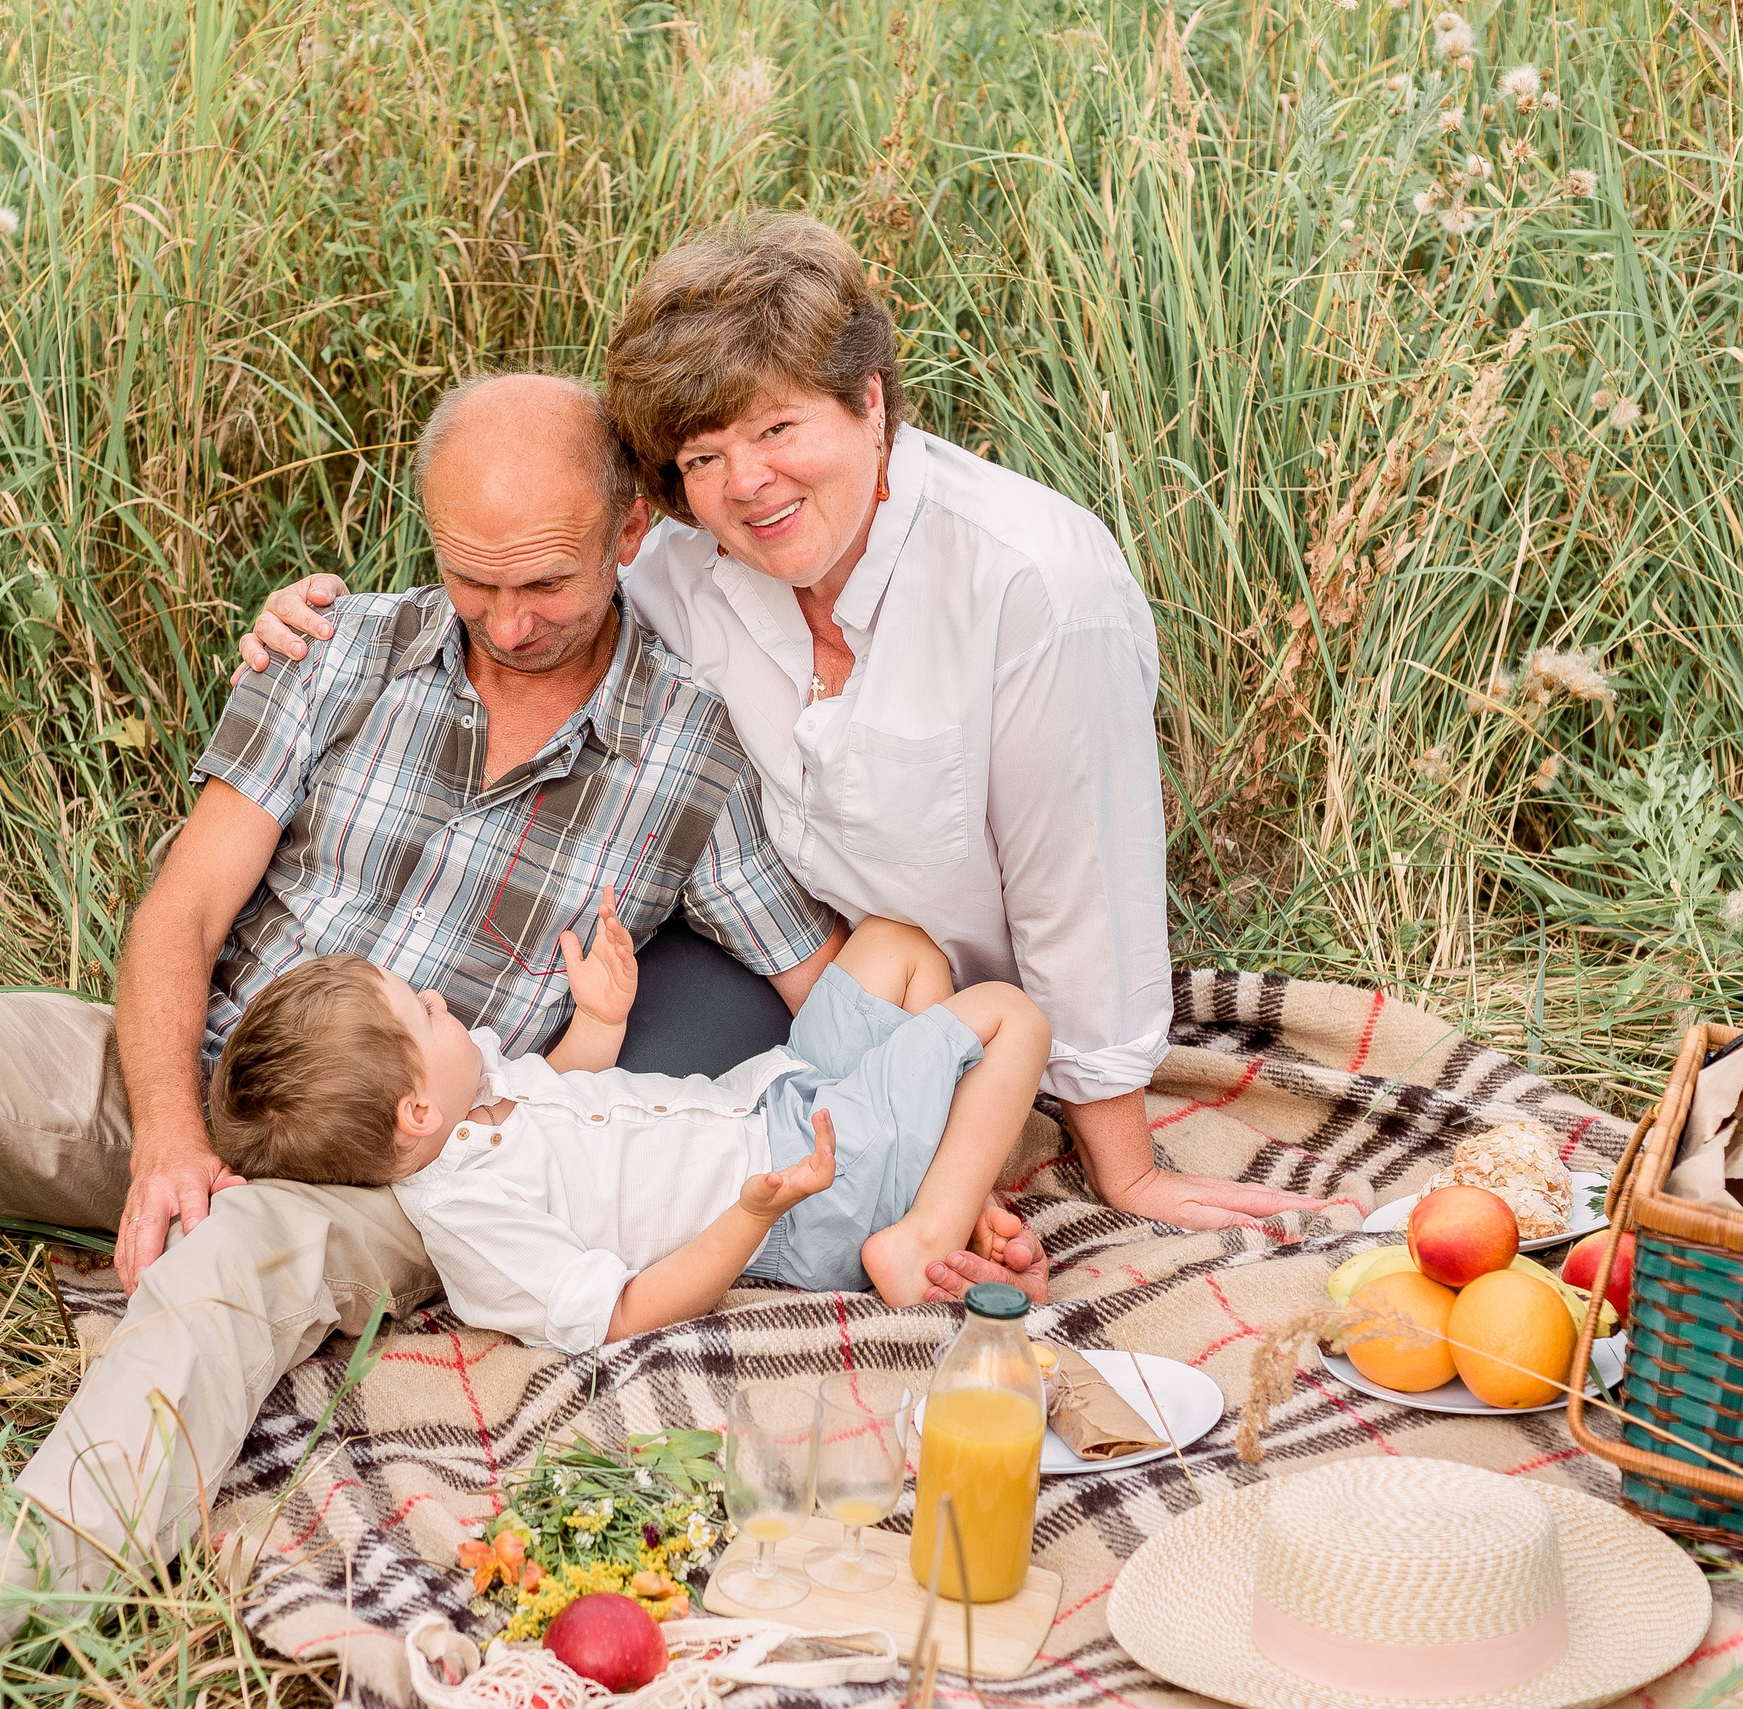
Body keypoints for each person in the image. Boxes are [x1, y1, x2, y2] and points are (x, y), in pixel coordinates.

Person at [0, 374, 852, 1709]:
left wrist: (940, 1125)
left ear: (629, 530)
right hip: (212, 1066)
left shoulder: (689, 753)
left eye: (546, 582)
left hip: (396, 1160)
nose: (506, 621)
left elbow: (831, 980)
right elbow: (185, 911)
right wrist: (165, 1128)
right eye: (471, 578)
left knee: (234, 1253)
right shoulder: (338, 651)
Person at [243, 216, 1329, 1236]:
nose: (747, 484)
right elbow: (530, 589)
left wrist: (1123, 1165)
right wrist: (312, 625)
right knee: (613, 1153)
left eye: (777, 428)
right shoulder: (677, 567)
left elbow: (1083, 897)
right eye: (703, 457)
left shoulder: (1033, 588)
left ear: (870, 404)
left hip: (962, 1007)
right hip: (797, 964)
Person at [210, 899, 1052, 1338]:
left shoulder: (478, 1092)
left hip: (773, 1095)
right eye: (423, 1013)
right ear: (416, 1111)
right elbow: (622, 1314)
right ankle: (922, 1236)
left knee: (897, 946)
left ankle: (946, 1185)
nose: (437, 997)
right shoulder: (474, 1218)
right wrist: (752, 1213)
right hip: (803, 1193)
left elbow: (567, 1097)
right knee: (1010, 1017)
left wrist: (600, 1019)